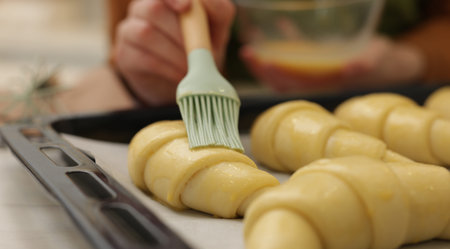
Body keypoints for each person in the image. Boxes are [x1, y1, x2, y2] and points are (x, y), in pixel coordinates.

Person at [107, 0, 450, 108]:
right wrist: (157, 70)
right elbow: (125, 47)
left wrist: (407, 59)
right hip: (219, 121)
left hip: (397, 99)